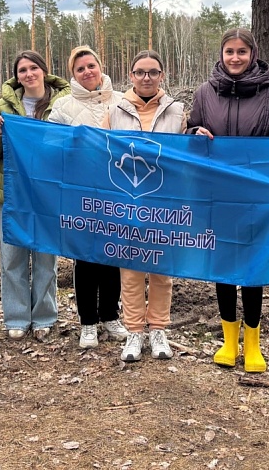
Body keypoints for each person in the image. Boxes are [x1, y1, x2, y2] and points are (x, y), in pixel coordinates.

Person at [189, 28, 269, 373]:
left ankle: (252, 344)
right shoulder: (204, 93)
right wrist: (195, 134)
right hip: (216, 194)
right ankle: (228, 340)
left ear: (252, 54)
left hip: (255, 196)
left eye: (242, 51)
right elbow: (189, 132)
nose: (235, 57)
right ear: (221, 54)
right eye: (229, 52)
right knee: (223, 264)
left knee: (252, 266)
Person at [103, 50, 187, 363]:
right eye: (140, 72)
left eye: (153, 72)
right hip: (127, 203)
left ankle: (159, 330)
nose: (146, 77)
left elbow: (188, 156)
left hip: (165, 204)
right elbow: (98, 149)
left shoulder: (177, 111)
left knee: (162, 270)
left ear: (162, 76)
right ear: (131, 76)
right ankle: (134, 331)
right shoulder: (115, 111)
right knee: (131, 269)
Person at [0, 51, 70, 340]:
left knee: (46, 257)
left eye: (34, 68)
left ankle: (44, 315)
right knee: (12, 257)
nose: (29, 74)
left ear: (44, 71)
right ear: (16, 76)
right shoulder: (2, 106)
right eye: (22, 70)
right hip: (12, 192)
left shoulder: (65, 103)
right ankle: (17, 317)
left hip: (49, 192)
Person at [48, 46, 129, 349]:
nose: (87, 72)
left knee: (112, 253)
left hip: (116, 190)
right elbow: (49, 142)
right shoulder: (64, 105)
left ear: (100, 66)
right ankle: (87, 323)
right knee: (85, 257)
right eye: (80, 69)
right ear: (73, 74)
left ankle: (110, 314)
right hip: (80, 191)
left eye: (91, 66)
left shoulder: (122, 100)